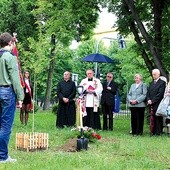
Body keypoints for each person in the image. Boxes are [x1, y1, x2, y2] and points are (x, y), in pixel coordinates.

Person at [0, 32, 24, 163]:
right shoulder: (9, 57)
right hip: (6, 92)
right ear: (10, 43)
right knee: (5, 126)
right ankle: (2, 156)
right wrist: (20, 96)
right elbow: (15, 79)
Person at [147, 69, 166, 135]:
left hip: (158, 103)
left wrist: (152, 101)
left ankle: (158, 132)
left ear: (158, 74)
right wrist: (148, 100)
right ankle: (153, 131)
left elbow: (160, 94)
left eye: (155, 74)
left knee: (158, 118)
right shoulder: (151, 83)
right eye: (153, 74)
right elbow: (148, 93)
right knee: (152, 118)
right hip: (151, 103)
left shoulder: (162, 83)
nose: (153, 76)